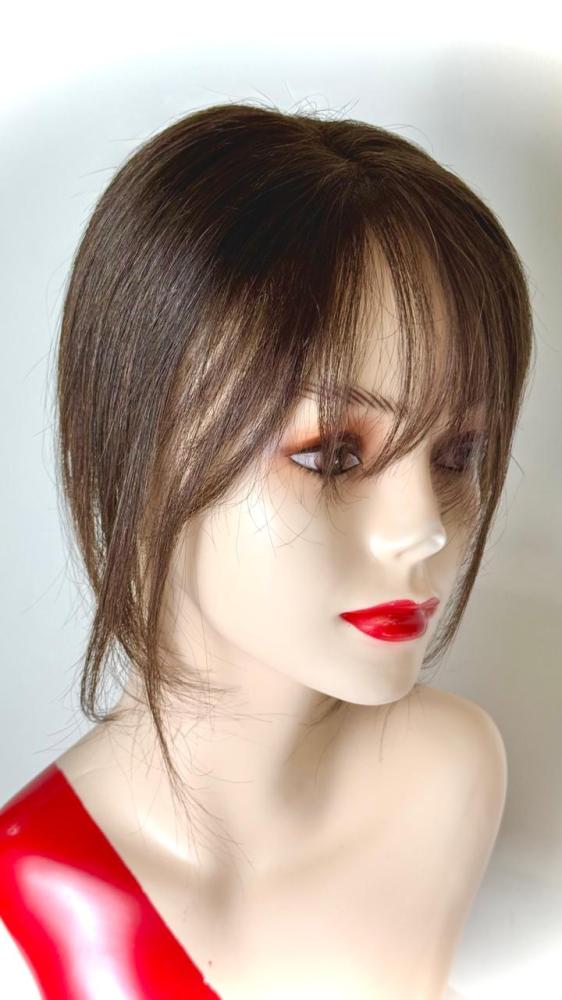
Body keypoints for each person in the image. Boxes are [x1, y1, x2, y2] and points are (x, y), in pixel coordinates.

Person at [0, 101, 534, 999]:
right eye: (331, 455)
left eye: (457, 453)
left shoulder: (450, 772)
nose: (427, 529)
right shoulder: (25, 915)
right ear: (142, 448)